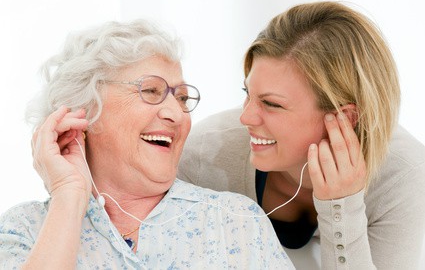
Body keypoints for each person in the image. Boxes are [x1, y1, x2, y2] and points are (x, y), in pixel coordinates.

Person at [0, 20, 294, 269]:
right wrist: (68, 195)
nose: (176, 113)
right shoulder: (27, 227)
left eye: (181, 98)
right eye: (151, 91)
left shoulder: (234, 221)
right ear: (83, 111)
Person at [178, 1, 425, 270]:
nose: (245, 117)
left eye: (272, 104)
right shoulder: (205, 154)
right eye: (247, 93)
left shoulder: (403, 177)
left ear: (345, 118)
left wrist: (341, 206)